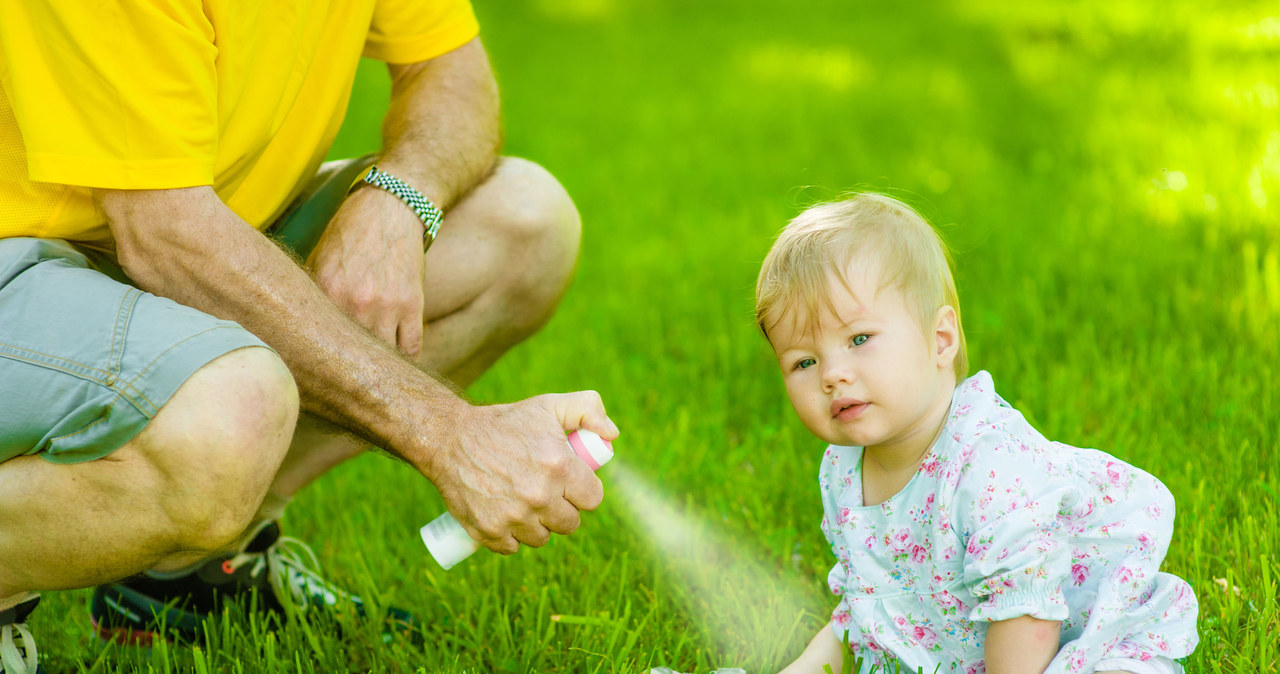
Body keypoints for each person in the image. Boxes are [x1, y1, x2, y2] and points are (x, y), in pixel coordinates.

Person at [0, 0, 619, 669]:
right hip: (28, 253)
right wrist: (451, 436)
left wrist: (397, 199)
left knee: (523, 223)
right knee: (232, 411)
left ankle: (189, 572)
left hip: (189, 229)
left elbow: (453, 72)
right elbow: (164, 235)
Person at [754, 194, 1198, 674]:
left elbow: (1028, 613)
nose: (832, 374)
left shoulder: (988, 464)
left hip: (1075, 632)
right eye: (804, 361)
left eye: (859, 339)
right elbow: (863, 615)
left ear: (941, 340)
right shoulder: (842, 471)